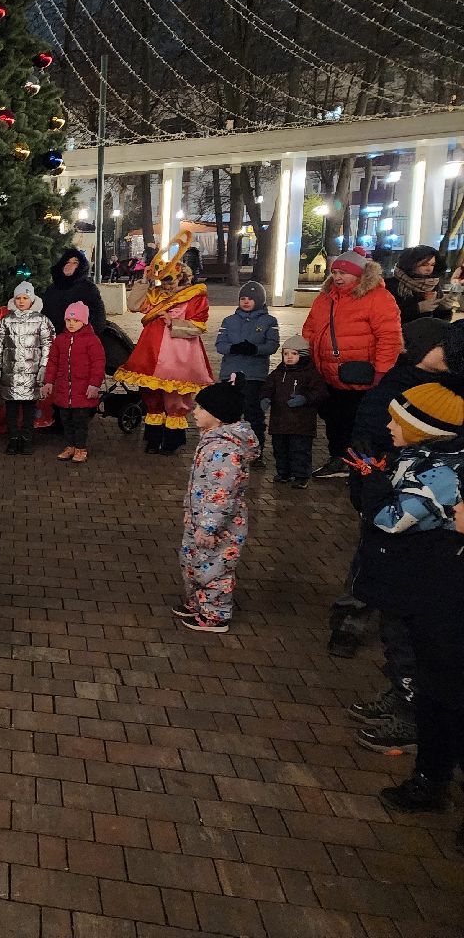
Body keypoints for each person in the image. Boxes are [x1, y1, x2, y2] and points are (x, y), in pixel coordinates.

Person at [350, 383, 464, 849]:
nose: (389, 427)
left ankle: (434, 776)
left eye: (399, 422)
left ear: (426, 431)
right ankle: (431, 777)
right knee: (436, 689)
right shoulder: (419, 461)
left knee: (445, 690)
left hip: (438, 594)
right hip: (422, 593)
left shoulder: (442, 474)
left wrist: (373, 487)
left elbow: (388, 518)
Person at [302, 249, 403, 477]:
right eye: (335, 272)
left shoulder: (378, 298)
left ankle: (362, 465)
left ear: (359, 274)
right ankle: (339, 459)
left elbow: (389, 337)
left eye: (344, 273)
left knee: (359, 422)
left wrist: (381, 371)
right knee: (334, 419)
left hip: (359, 375)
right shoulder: (325, 297)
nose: (338, 277)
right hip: (328, 373)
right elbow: (310, 327)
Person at [173, 381, 259, 633]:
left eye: (200, 407)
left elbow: (222, 494)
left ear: (218, 416)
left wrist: (209, 527)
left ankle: (216, 614)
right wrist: (191, 513)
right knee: (194, 561)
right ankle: (199, 602)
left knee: (215, 568)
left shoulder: (225, 449)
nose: (194, 411)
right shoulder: (212, 441)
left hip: (218, 526)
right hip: (201, 519)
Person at [117, 233, 214, 455]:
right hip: (150, 352)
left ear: (181, 277)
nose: (166, 285)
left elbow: (198, 326)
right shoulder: (155, 294)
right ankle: (153, 439)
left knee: (176, 398)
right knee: (151, 393)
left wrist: (174, 323)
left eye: (169, 279)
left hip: (179, 355)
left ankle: (172, 441)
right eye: (163, 280)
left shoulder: (194, 297)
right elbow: (133, 305)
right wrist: (144, 280)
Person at [215, 280, 280, 448]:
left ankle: (256, 449)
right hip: (230, 373)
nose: (246, 301)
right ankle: (228, 448)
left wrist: (255, 349)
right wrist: (233, 347)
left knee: (254, 413)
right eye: (242, 298)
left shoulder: (269, 321)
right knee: (229, 412)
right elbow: (220, 345)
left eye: (250, 299)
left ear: (259, 301)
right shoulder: (229, 321)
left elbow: (272, 345)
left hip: (254, 375)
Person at [0, 280, 54, 455]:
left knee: (29, 408)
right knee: (11, 408)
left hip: (32, 374)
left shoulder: (41, 320)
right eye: (18, 297)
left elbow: (48, 345)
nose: (21, 301)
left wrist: (43, 367)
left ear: (32, 300)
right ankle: (13, 439)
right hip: (10, 374)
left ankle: (26, 439)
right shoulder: (6, 320)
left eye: (25, 297)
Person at [260, 335, 327, 486]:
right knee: (280, 449)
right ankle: (283, 472)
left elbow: (320, 392)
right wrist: (265, 398)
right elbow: (267, 387)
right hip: (279, 421)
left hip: (301, 423)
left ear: (302, 356)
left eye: (294, 354)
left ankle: (301, 476)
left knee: (300, 450)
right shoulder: (278, 373)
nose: (289, 357)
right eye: (286, 354)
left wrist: (305, 398)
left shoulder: (311, 374)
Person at [43, 301, 105, 463]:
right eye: (68, 320)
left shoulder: (92, 341)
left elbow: (98, 364)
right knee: (66, 420)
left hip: (83, 392)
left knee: (80, 422)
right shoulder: (60, 340)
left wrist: (94, 384)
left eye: (75, 321)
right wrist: (48, 381)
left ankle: (80, 448)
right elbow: (52, 362)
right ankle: (70, 446)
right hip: (64, 391)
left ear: (83, 321)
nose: (71, 324)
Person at [41, 248, 107, 334]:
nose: (69, 265)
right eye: (67, 262)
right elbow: (44, 315)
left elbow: (98, 318)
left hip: (79, 340)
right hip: (54, 340)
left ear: (80, 267)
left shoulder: (88, 289)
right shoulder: (52, 289)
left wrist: (83, 337)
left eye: (75, 263)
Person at [385, 245, 452, 325]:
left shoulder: (432, 283)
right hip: (400, 334)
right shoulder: (390, 285)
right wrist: (417, 308)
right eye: (424, 265)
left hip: (429, 334)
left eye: (432, 265)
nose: (429, 269)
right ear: (410, 265)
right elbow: (383, 316)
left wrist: (444, 309)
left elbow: (440, 321)